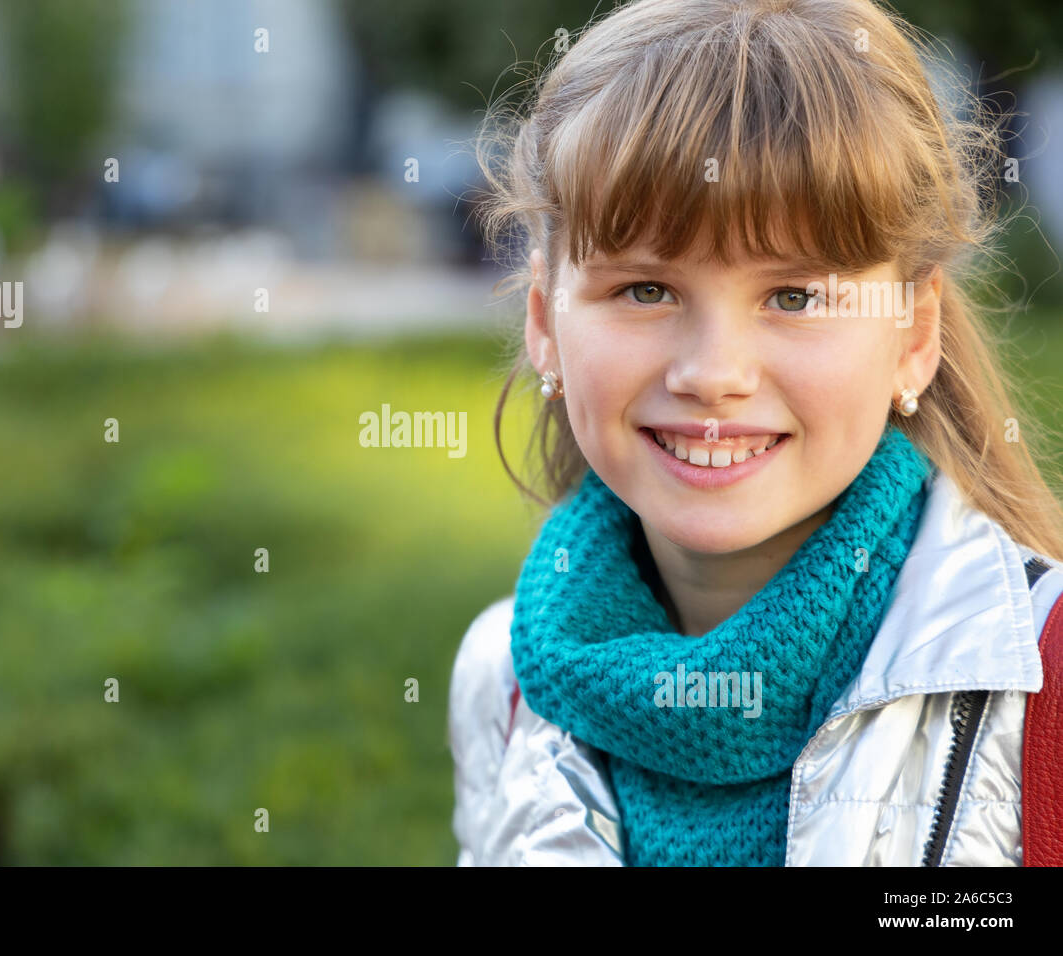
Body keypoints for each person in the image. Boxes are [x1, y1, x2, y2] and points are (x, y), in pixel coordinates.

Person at [449, 0, 1063, 866]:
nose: (712, 373)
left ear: (914, 336)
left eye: (796, 296)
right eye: (646, 290)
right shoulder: (503, 680)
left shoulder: (1042, 682)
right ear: (546, 323)